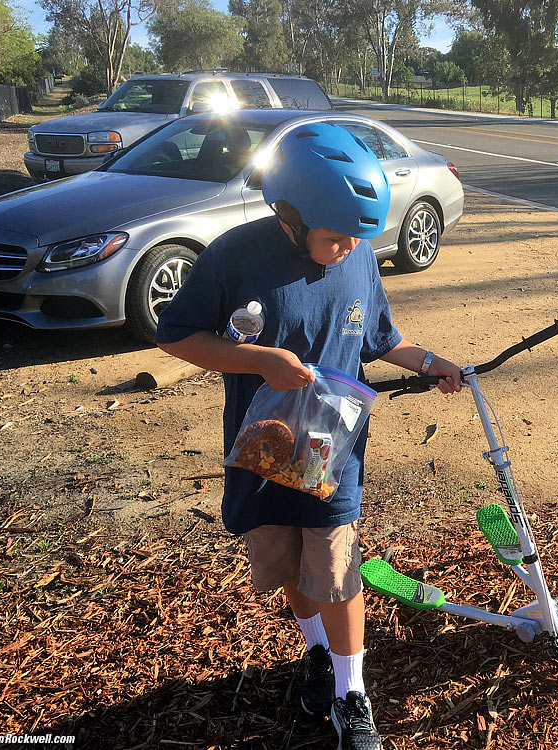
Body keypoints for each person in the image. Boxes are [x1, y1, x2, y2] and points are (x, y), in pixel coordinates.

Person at [155, 122, 462, 750]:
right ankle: (317, 653)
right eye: (336, 236)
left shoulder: (356, 261)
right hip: (262, 449)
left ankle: (352, 694)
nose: (350, 248)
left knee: (337, 571)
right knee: (287, 562)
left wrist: (433, 363)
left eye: (359, 236)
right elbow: (177, 334)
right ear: (290, 216)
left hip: (331, 454)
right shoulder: (236, 255)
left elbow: (383, 339)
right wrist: (259, 360)